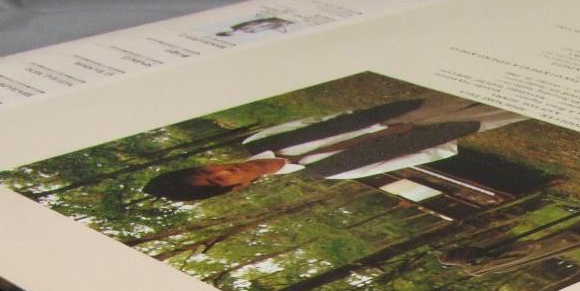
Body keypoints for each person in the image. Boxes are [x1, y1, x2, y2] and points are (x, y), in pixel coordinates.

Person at [143, 94, 526, 202]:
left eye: (210, 169)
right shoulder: (325, 172)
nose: (225, 172)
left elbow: (322, 122)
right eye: (219, 182)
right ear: (236, 189)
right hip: (435, 132)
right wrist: (444, 137)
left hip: (408, 109)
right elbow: (403, 158)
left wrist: (383, 115)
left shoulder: (257, 142)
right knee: (513, 107)